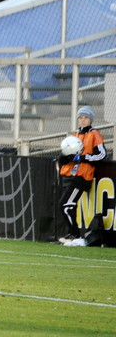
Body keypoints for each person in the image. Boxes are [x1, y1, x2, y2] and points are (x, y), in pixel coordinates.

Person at [57, 105, 107, 246]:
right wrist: (64, 158)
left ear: (90, 119)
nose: (83, 120)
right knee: (68, 204)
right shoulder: (76, 136)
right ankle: (73, 233)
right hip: (74, 175)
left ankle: (73, 234)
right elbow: (68, 156)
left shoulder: (94, 134)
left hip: (84, 176)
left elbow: (102, 154)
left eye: (86, 117)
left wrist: (82, 158)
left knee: (66, 204)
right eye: (80, 117)